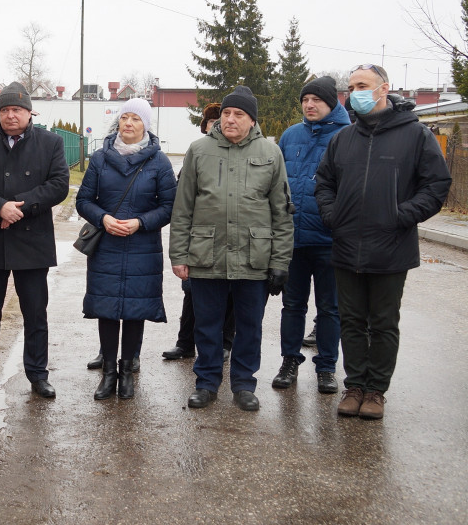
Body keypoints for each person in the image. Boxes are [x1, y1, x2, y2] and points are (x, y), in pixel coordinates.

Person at [316, 64, 451, 420]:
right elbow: (324, 183)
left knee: (384, 323)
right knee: (352, 321)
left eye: (362, 85)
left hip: (391, 248)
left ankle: (376, 391)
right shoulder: (343, 138)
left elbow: (436, 185)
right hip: (346, 247)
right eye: (351, 86)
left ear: (384, 89)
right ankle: (355, 386)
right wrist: (333, 216)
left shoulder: (416, 135)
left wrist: (399, 215)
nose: (353, 91)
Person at [169, 85, 294, 412]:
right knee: (206, 325)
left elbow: (281, 211)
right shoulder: (199, 150)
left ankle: (243, 384)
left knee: (249, 327)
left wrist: (281, 262)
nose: (230, 119)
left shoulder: (270, 153)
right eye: (226, 113)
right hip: (206, 255)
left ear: (252, 120)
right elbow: (182, 208)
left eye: (238, 114)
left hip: (253, 258)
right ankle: (206, 384)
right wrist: (179, 255)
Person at [0, 82, 70, 398]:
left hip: (33, 241)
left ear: (29, 112)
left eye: (17, 110)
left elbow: (59, 185)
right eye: (5, 110)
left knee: (35, 313)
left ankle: (37, 374)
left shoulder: (51, 143)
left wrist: (19, 206)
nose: (10, 115)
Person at [75, 98, 176, 400]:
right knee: (106, 310)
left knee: (135, 311)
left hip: (142, 246)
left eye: (136, 118)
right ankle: (108, 374)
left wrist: (140, 223)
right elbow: (83, 200)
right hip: (106, 245)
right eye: (125, 117)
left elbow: (169, 207)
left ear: (146, 124)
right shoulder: (99, 158)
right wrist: (103, 218)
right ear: (118, 122)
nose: (129, 123)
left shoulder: (159, 161)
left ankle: (127, 372)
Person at [271, 76, 350, 395]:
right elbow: (275, 183)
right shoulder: (290, 136)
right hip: (294, 240)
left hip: (331, 241)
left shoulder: (348, 137)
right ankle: (289, 361)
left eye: (316, 99)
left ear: (331, 103)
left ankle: (327, 367)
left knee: (330, 308)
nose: (309, 105)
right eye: (305, 100)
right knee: (292, 305)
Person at [162, 102, 236, 363]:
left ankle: (226, 342)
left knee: (229, 295)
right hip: (198, 239)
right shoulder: (196, 153)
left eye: (220, 119)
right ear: (205, 126)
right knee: (192, 292)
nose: (217, 124)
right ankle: (185, 343)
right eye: (212, 121)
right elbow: (182, 198)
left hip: (226, 239)